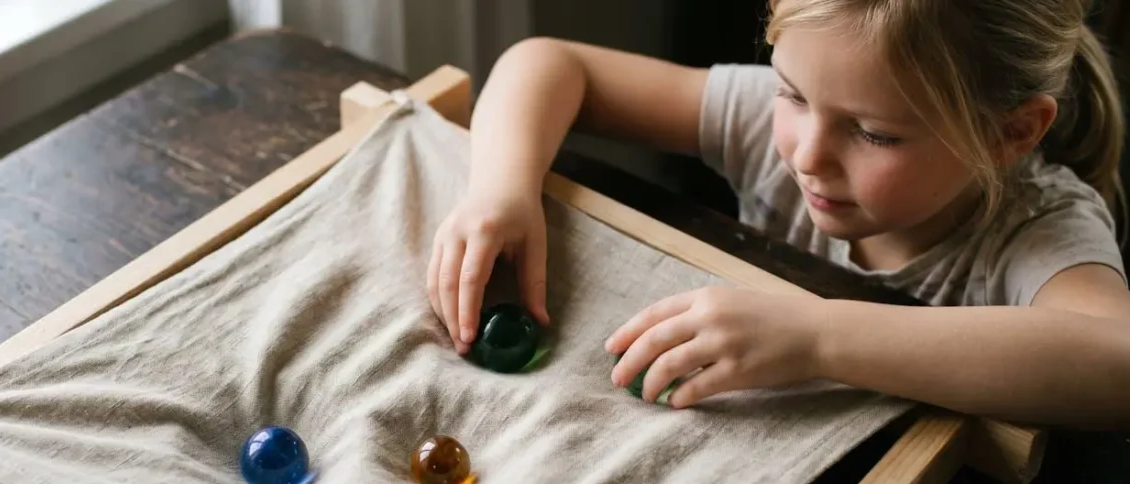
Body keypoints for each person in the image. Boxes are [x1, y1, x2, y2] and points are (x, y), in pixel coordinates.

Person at [424, 0, 1130, 429]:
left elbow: (1115, 363)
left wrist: (817, 338)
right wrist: (501, 188)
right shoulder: (769, 125)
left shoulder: (1037, 225)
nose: (808, 155)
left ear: (1010, 134)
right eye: (792, 93)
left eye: (875, 134)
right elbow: (548, 63)